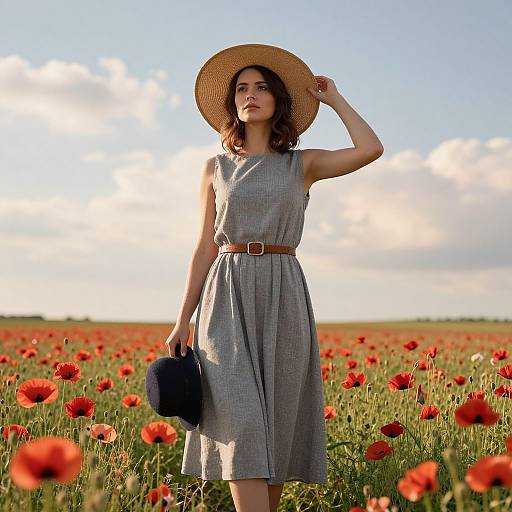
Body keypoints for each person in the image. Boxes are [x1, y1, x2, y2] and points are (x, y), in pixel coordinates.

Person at [165, 43, 384, 512]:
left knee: (278, 423)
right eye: (242, 88)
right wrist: (182, 318)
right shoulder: (214, 168)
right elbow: (204, 246)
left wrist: (335, 99)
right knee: (240, 420)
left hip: (283, 290)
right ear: (232, 104)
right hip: (225, 293)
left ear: (277, 100)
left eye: (261, 87)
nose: (251, 95)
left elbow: (371, 149)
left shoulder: (301, 165)